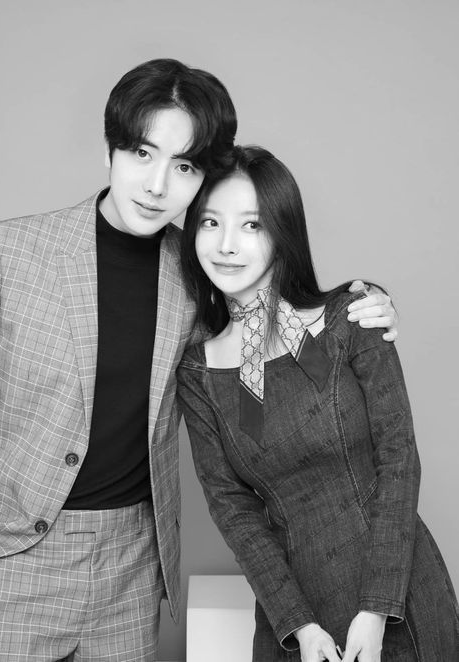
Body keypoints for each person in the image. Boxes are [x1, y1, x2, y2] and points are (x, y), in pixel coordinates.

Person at [0, 59, 396, 662]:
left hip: (131, 568)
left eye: (183, 166)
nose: (156, 186)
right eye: (142, 154)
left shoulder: (201, 273)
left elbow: (275, 327)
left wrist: (363, 305)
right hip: (10, 564)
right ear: (109, 150)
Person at [177, 145, 459, 662]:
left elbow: (399, 459)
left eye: (252, 225)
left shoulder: (351, 319)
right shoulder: (199, 372)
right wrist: (300, 626)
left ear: (282, 233)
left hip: (397, 596)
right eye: (210, 223)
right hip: (295, 619)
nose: (226, 245)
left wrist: (377, 610)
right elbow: (234, 509)